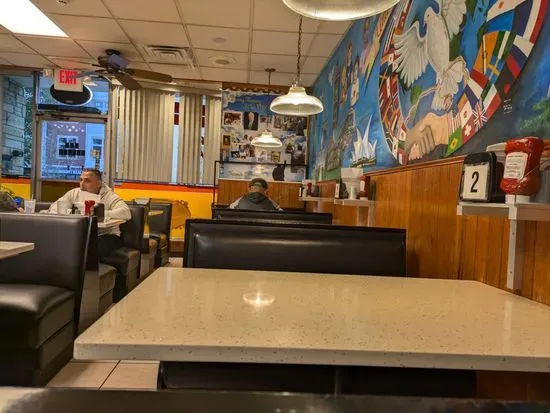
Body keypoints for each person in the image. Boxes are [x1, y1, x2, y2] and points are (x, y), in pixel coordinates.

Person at [49, 168, 131, 260]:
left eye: (87, 181)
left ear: (99, 184)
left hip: (106, 235)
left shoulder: (109, 196)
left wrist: (100, 213)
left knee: (89, 248)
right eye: (81, 180)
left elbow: (126, 213)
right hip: (80, 233)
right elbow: (55, 206)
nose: (82, 184)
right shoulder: (74, 193)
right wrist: (63, 213)